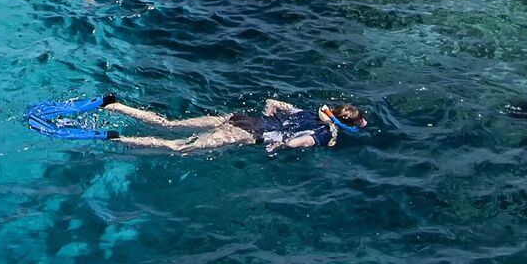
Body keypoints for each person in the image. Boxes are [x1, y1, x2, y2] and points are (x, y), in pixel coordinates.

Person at [96, 95, 366, 155]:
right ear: (344, 122)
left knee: (169, 125)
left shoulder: (307, 111)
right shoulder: (320, 132)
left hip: (238, 119)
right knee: (177, 148)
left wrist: (266, 121)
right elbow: (297, 142)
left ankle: (116, 105)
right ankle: (114, 139)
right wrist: (278, 145)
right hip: (245, 133)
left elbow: (272, 102)